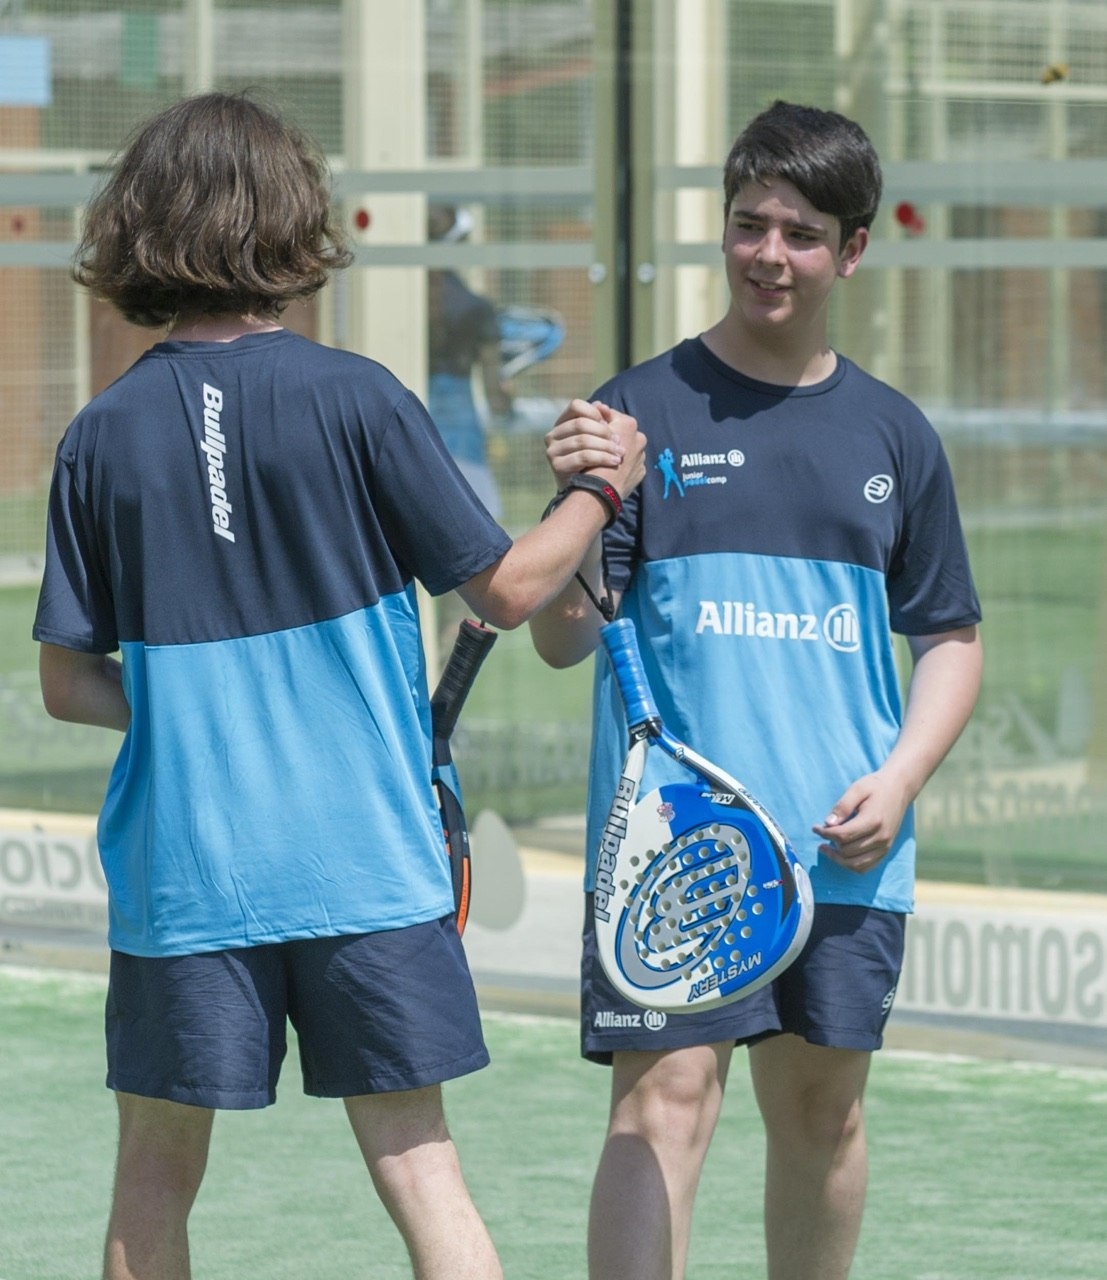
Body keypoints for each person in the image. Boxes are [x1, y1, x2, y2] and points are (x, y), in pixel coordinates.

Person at [32, 92, 644, 1280]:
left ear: (142, 224)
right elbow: (510, 592)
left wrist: (187, 713)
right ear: (292, 219)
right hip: (366, 859)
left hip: (185, 873)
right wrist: (601, 489)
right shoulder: (358, 395)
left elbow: (67, 683)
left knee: (150, 1183)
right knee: (424, 1173)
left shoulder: (100, 435)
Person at [530, 100, 983, 1280]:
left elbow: (950, 639)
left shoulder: (895, 435)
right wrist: (584, 499)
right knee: (660, 1105)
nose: (769, 254)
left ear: (852, 248)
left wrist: (902, 776)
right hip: (671, 856)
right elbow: (563, 640)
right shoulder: (637, 411)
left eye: (799, 232)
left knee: (822, 1114)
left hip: (844, 844)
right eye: (748, 225)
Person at [426, 204, 511, 517]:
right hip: (459, 415)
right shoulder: (475, 307)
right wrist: (506, 402)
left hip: (411, 401)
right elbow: (495, 391)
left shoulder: (409, 303)